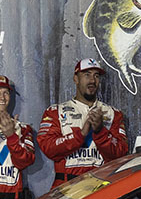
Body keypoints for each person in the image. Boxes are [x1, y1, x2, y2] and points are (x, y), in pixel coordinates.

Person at [39, 59, 128, 187]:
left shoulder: (113, 113)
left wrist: (100, 131)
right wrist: (80, 134)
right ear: (76, 79)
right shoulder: (55, 111)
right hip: (66, 187)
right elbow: (49, 148)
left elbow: (120, 153)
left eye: (96, 76)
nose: (92, 80)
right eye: (87, 75)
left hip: (101, 187)